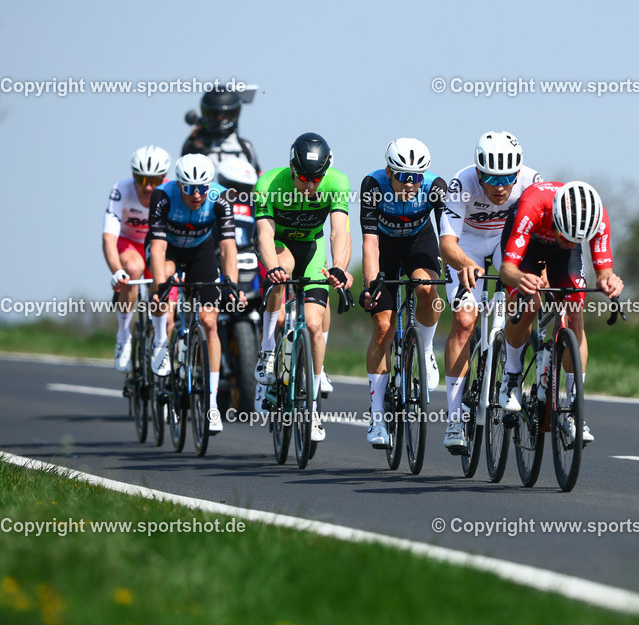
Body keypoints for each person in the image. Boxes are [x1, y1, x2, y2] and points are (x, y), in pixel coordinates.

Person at [497, 180, 624, 443]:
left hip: (560, 255)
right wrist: (522, 278)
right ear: (556, 218)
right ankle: (511, 376)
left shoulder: (595, 218)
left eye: (577, 239)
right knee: (530, 302)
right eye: (566, 236)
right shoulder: (532, 205)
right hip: (528, 244)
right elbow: (506, 270)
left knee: (574, 309)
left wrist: (608, 281)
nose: (570, 242)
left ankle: (574, 410)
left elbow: (604, 273)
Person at [438, 131, 541, 453]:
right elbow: (446, 243)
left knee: (527, 301)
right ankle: (455, 418)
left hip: (508, 241)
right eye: (492, 179)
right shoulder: (462, 183)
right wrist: (466, 265)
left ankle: (511, 376)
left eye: (508, 178)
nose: (500, 187)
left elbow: (540, 237)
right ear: (479, 172)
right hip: (466, 243)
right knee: (465, 320)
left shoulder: (531, 181)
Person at [253, 132, 353, 443]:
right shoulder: (269, 184)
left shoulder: (337, 183)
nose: (310, 185)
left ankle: (311, 409)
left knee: (312, 323)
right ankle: (268, 352)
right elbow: (264, 235)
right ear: (291, 169)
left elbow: (339, 232)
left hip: (312, 247)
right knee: (285, 268)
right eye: (303, 178)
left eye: (316, 179)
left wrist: (340, 267)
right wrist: (273, 269)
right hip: (280, 247)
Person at [146, 154, 245, 434]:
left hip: (202, 252)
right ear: (178, 185)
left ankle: (211, 404)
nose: (197, 194)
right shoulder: (162, 196)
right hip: (170, 251)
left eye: (202, 187)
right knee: (161, 280)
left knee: (210, 322)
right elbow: (157, 247)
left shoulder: (220, 197)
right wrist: (161, 284)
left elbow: (227, 248)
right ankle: (161, 342)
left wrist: (231, 283)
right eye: (189, 188)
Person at [360, 138, 446, 448]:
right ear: (389, 172)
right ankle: (378, 415)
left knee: (428, 290)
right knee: (383, 326)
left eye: (416, 178)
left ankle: (424, 349)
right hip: (384, 247)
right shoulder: (373, 184)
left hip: (418, 242)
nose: (410, 184)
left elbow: (448, 235)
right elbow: (369, 243)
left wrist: (452, 272)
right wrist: (371, 286)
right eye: (403, 177)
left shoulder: (435, 186)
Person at [102, 145, 171, 372]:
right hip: (129, 244)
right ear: (133, 176)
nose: (148, 187)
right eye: (142, 180)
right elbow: (108, 238)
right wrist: (116, 271)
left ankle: (160, 343)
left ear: (164, 177)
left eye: (154, 180)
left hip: (159, 246)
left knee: (166, 309)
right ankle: (123, 335)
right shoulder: (121, 190)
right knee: (133, 269)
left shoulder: (172, 191)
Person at [182, 89, 260, 173]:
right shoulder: (197, 145)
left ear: (232, 114)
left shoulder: (244, 147)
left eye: (224, 116)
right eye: (214, 115)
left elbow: (257, 175)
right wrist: (194, 141)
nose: (219, 119)